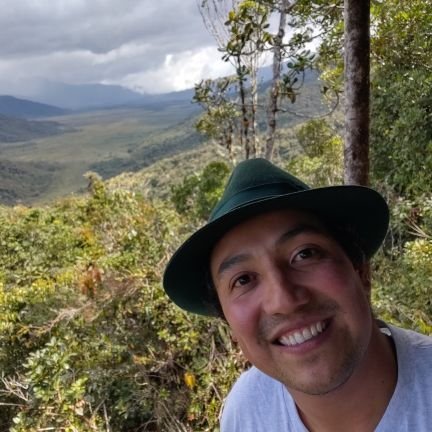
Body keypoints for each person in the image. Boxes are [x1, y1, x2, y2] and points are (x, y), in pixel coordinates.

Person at [163, 158, 432, 432]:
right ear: (227, 321)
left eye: (305, 254)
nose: (284, 301)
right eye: (243, 280)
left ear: (360, 270)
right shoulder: (247, 413)